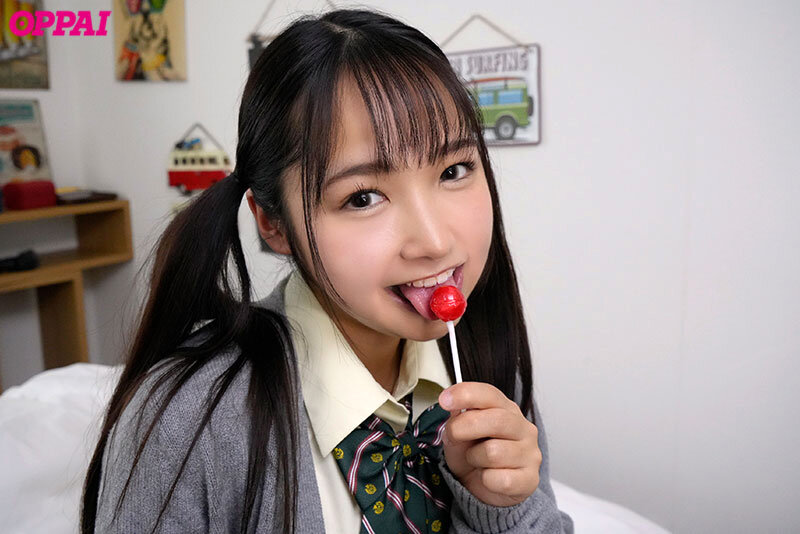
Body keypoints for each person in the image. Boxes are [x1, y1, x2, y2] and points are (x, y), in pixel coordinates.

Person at [81, 8, 574, 534]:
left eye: (454, 170)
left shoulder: (487, 363)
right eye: (363, 197)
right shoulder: (187, 423)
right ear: (274, 224)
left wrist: (502, 509)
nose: (435, 242)